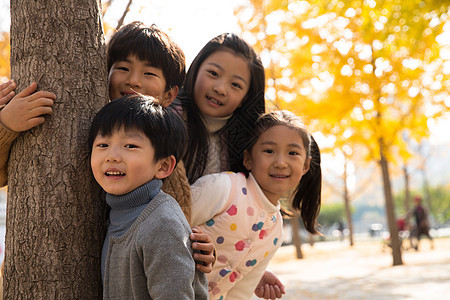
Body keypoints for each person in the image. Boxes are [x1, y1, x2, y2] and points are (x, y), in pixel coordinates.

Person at [0, 21, 214, 272]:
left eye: (149, 73)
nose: (133, 80)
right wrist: (6, 124)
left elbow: (178, 226)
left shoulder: (162, 154)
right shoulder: (83, 117)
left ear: (169, 94)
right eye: (123, 68)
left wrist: (199, 252)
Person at [190, 110, 322, 299]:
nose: (281, 162)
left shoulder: (276, 231)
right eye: (269, 151)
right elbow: (169, 226)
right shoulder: (224, 188)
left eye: (293, 153)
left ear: (305, 166)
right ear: (248, 159)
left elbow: (240, 293)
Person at [88, 95, 208, 299]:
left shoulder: (161, 223)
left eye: (130, 146)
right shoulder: (117, 211)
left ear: (163, 166)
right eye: (102, 145)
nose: (112, 156)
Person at [175, 32, 266, 184]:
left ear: (245, 98)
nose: (220, 89)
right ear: (196, 69)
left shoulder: (244, 144)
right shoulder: (166, 120)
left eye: (236, 85)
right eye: (213, 73)